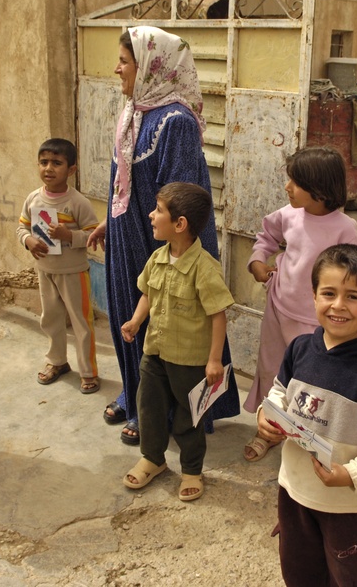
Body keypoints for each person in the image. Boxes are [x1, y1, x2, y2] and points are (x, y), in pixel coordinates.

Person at [87, 26, 238, 445]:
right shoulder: (133, 110)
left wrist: (179, 259)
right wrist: (108, 219)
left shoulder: (175, 122)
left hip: (160, 245)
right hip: (125, 234)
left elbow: (186, 197)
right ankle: (135, 394)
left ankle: (168, 410)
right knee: (130, 320)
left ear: (152, 66)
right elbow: (122, 180)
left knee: (170, 328)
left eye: (124, 61)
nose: (116, 69)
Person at [254, 244, 357, 586]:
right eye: (329, 293)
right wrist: (267, 413)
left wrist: (352, 474)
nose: (338, 306)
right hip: (293, 490)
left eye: (353, 296)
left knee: (345, 578)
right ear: (314, 296)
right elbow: (280, 390)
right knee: (298, 570)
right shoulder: (300, 349)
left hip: (345, 505)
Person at [242, 146, 357, 462]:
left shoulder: (344, 228)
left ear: (319, 190)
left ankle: (307, 438)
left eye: (294, 182)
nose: (287, 188)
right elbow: (265, 237)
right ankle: (268, 430)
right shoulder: (288, 215)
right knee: (271, 371)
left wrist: (348, 324)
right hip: (278, 308)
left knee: (310, 382)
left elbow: (353, 278)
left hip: (315, 323)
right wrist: (257, 261)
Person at [119, 182, 234, 502]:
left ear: (179, 224)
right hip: (154, 351)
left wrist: (214, 360)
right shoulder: (157, 258)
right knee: (149, 407)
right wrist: (136, 321)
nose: (151, 215)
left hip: (190, 360)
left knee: (189, 417)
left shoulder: (204, 268)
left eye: (158, 211)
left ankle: (192, 469)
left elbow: (218, 315)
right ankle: (153, 459)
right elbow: (147, 293)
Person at [17, 138, 100, 393]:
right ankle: (57, 362)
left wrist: (70, 236)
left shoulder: (78, 202)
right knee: (50, 319)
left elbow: (94, 235)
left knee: (81, 322)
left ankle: (88, 372)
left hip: (73, 272)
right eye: (43, 162)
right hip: (46, 271)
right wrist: (28, 240)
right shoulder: (33, 199)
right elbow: (21, 227)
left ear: (72, 169)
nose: (48, 168)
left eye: (57, 163)